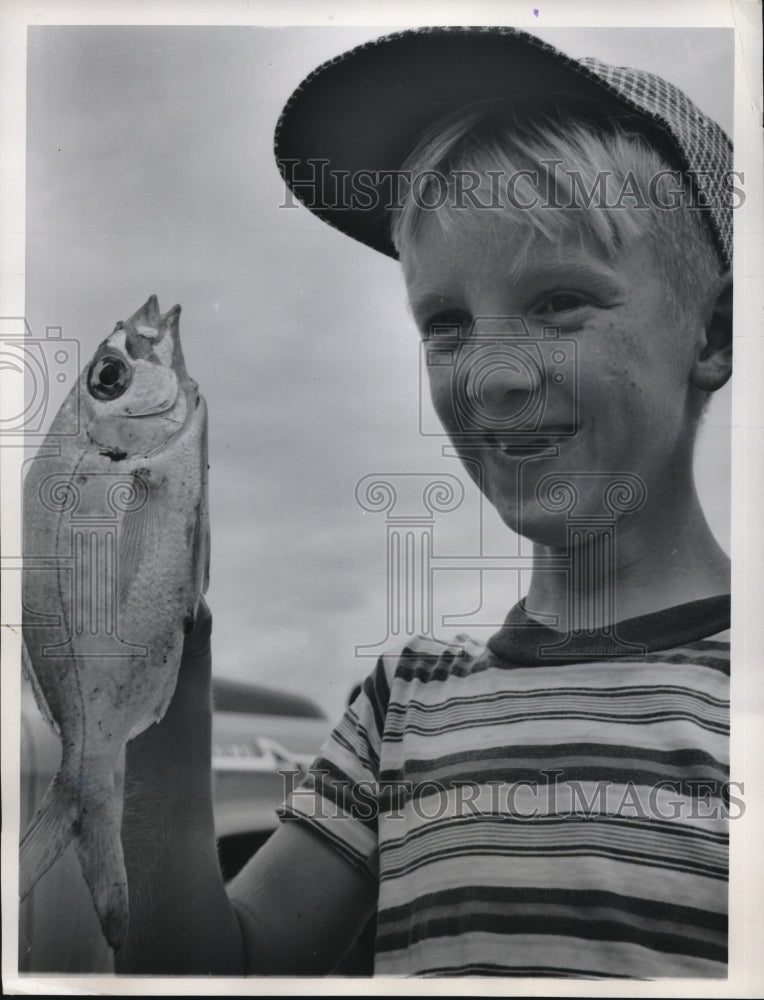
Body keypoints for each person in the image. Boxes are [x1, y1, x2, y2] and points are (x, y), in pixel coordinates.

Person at [115, 27, 733, 978]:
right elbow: (210, 968)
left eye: (561, 300)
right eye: (446, 323)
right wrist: (157, 657)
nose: (489, 378)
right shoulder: (403, 705)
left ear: (713, 332)